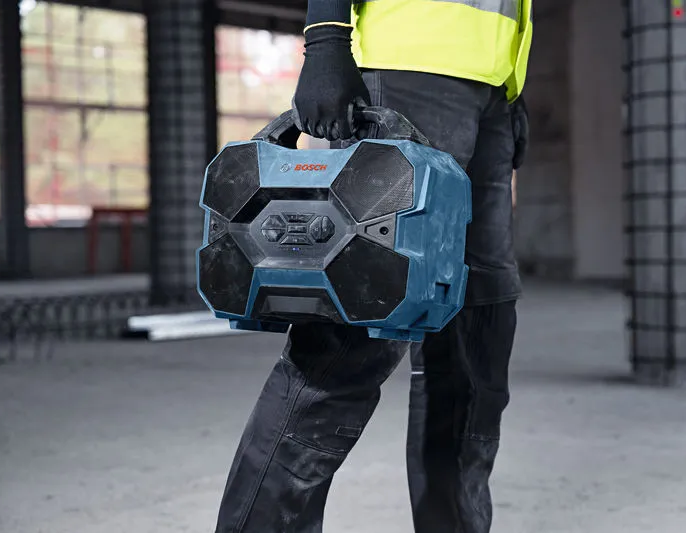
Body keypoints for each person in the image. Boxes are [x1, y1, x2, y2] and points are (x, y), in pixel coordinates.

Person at [214, 1, 532, 531]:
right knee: (353, 334)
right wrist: (326, 39)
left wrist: (510, 88)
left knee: (478, 320)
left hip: (491, 85)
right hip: (407, 68)